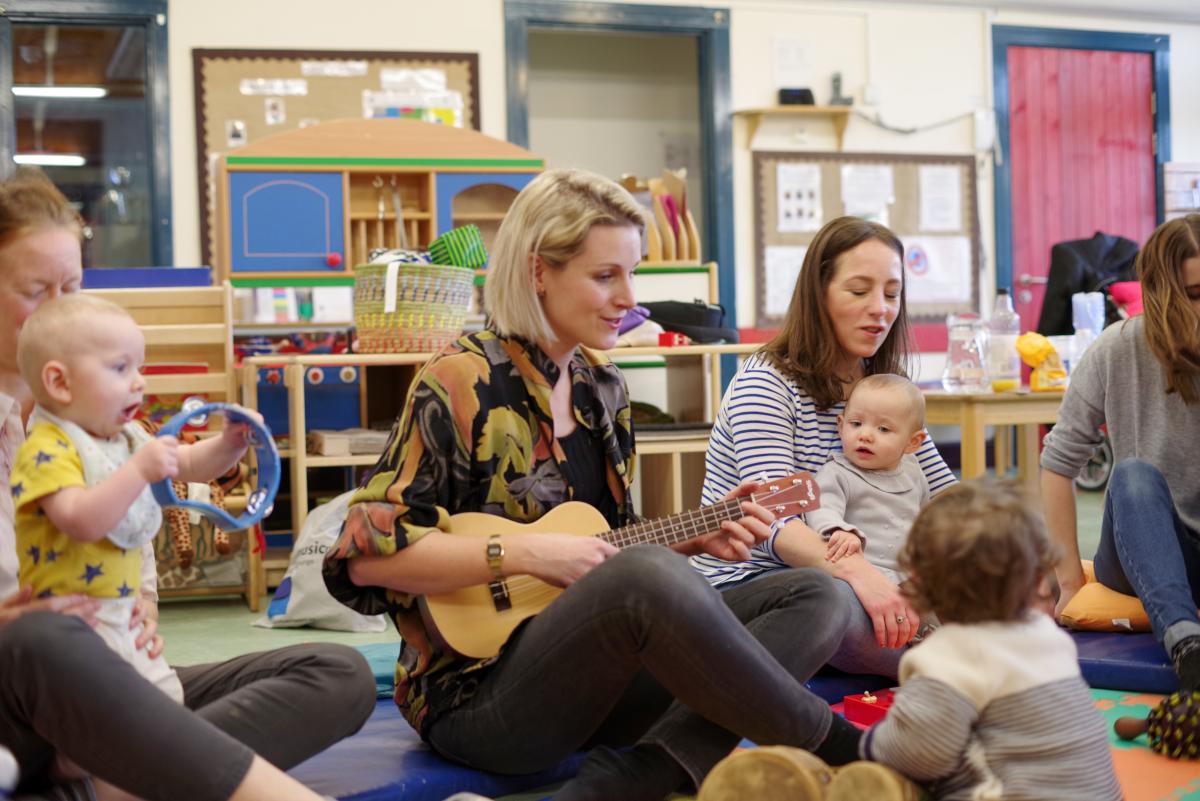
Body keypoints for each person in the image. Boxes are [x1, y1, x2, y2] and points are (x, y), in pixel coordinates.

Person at [323, 168, 866, 801]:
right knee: (647, 577)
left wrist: (689, 539)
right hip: (477, 702)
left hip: (596, 690)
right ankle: (844, 748)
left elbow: (607, 549)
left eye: (631, 273)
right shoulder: (457, 380)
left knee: (818, 594)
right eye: (605, 276)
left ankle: (647, 771)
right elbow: (364, 562)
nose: (628, 298)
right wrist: (525, 552)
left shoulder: (602, 385)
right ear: (538, 272)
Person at [0, 168, 375, 801]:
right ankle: (136, 771)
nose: (61, 308)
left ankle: (115, 778)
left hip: (112, 673)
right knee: (41, 639)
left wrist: (143, 606)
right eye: (38, 291)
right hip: (25, 688)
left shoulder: (97, 419)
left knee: (336, 672)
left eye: (73, 287)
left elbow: (159, 488)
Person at [692, 216, 955, 678]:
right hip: (762, 581)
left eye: (892, 294)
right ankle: (957, 663)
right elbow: (775, 523)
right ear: (819, 294)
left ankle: (947, 651)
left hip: (874, 573)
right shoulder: (766, 385)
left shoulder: (882, 389)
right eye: (859, 291)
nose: (880, 309)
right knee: (830, 601)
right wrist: (862, 575)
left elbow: (944, 495)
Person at [13, 293, 265, 709]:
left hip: (125, 617)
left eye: (139, 368)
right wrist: (138, 471)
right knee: (105, 717)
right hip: (71, 631)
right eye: (120, 368)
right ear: (60, 383)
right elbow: (79, 520)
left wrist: (231, 442)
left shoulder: (125, 438)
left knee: (165, 699)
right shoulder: (46, 448)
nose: (139, 382)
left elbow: (189, 463)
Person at [841, 480, 1120, 801]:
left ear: (919, 581)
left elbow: (916, 753)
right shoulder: (1049, 637)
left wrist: (869, 743)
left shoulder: (950, 655)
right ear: (1034, 578)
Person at [1042, 213, 1200, 693]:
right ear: (1161, 294)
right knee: (1132, 475)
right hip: (1136, 550)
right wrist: (1070, 581)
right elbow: (1057, 465)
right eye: (1194, 294)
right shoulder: (1115, 349)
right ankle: (1185, 642)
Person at [806, 374, 929, 581]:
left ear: (913, 442)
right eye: (856, 424)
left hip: (909, 574)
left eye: (883, 429)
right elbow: (821, 507)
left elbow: (926, 519)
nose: (865, 435)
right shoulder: (838, 472)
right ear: (841, 426)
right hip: (861, 572)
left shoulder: (913, 471)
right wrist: (839, 530)